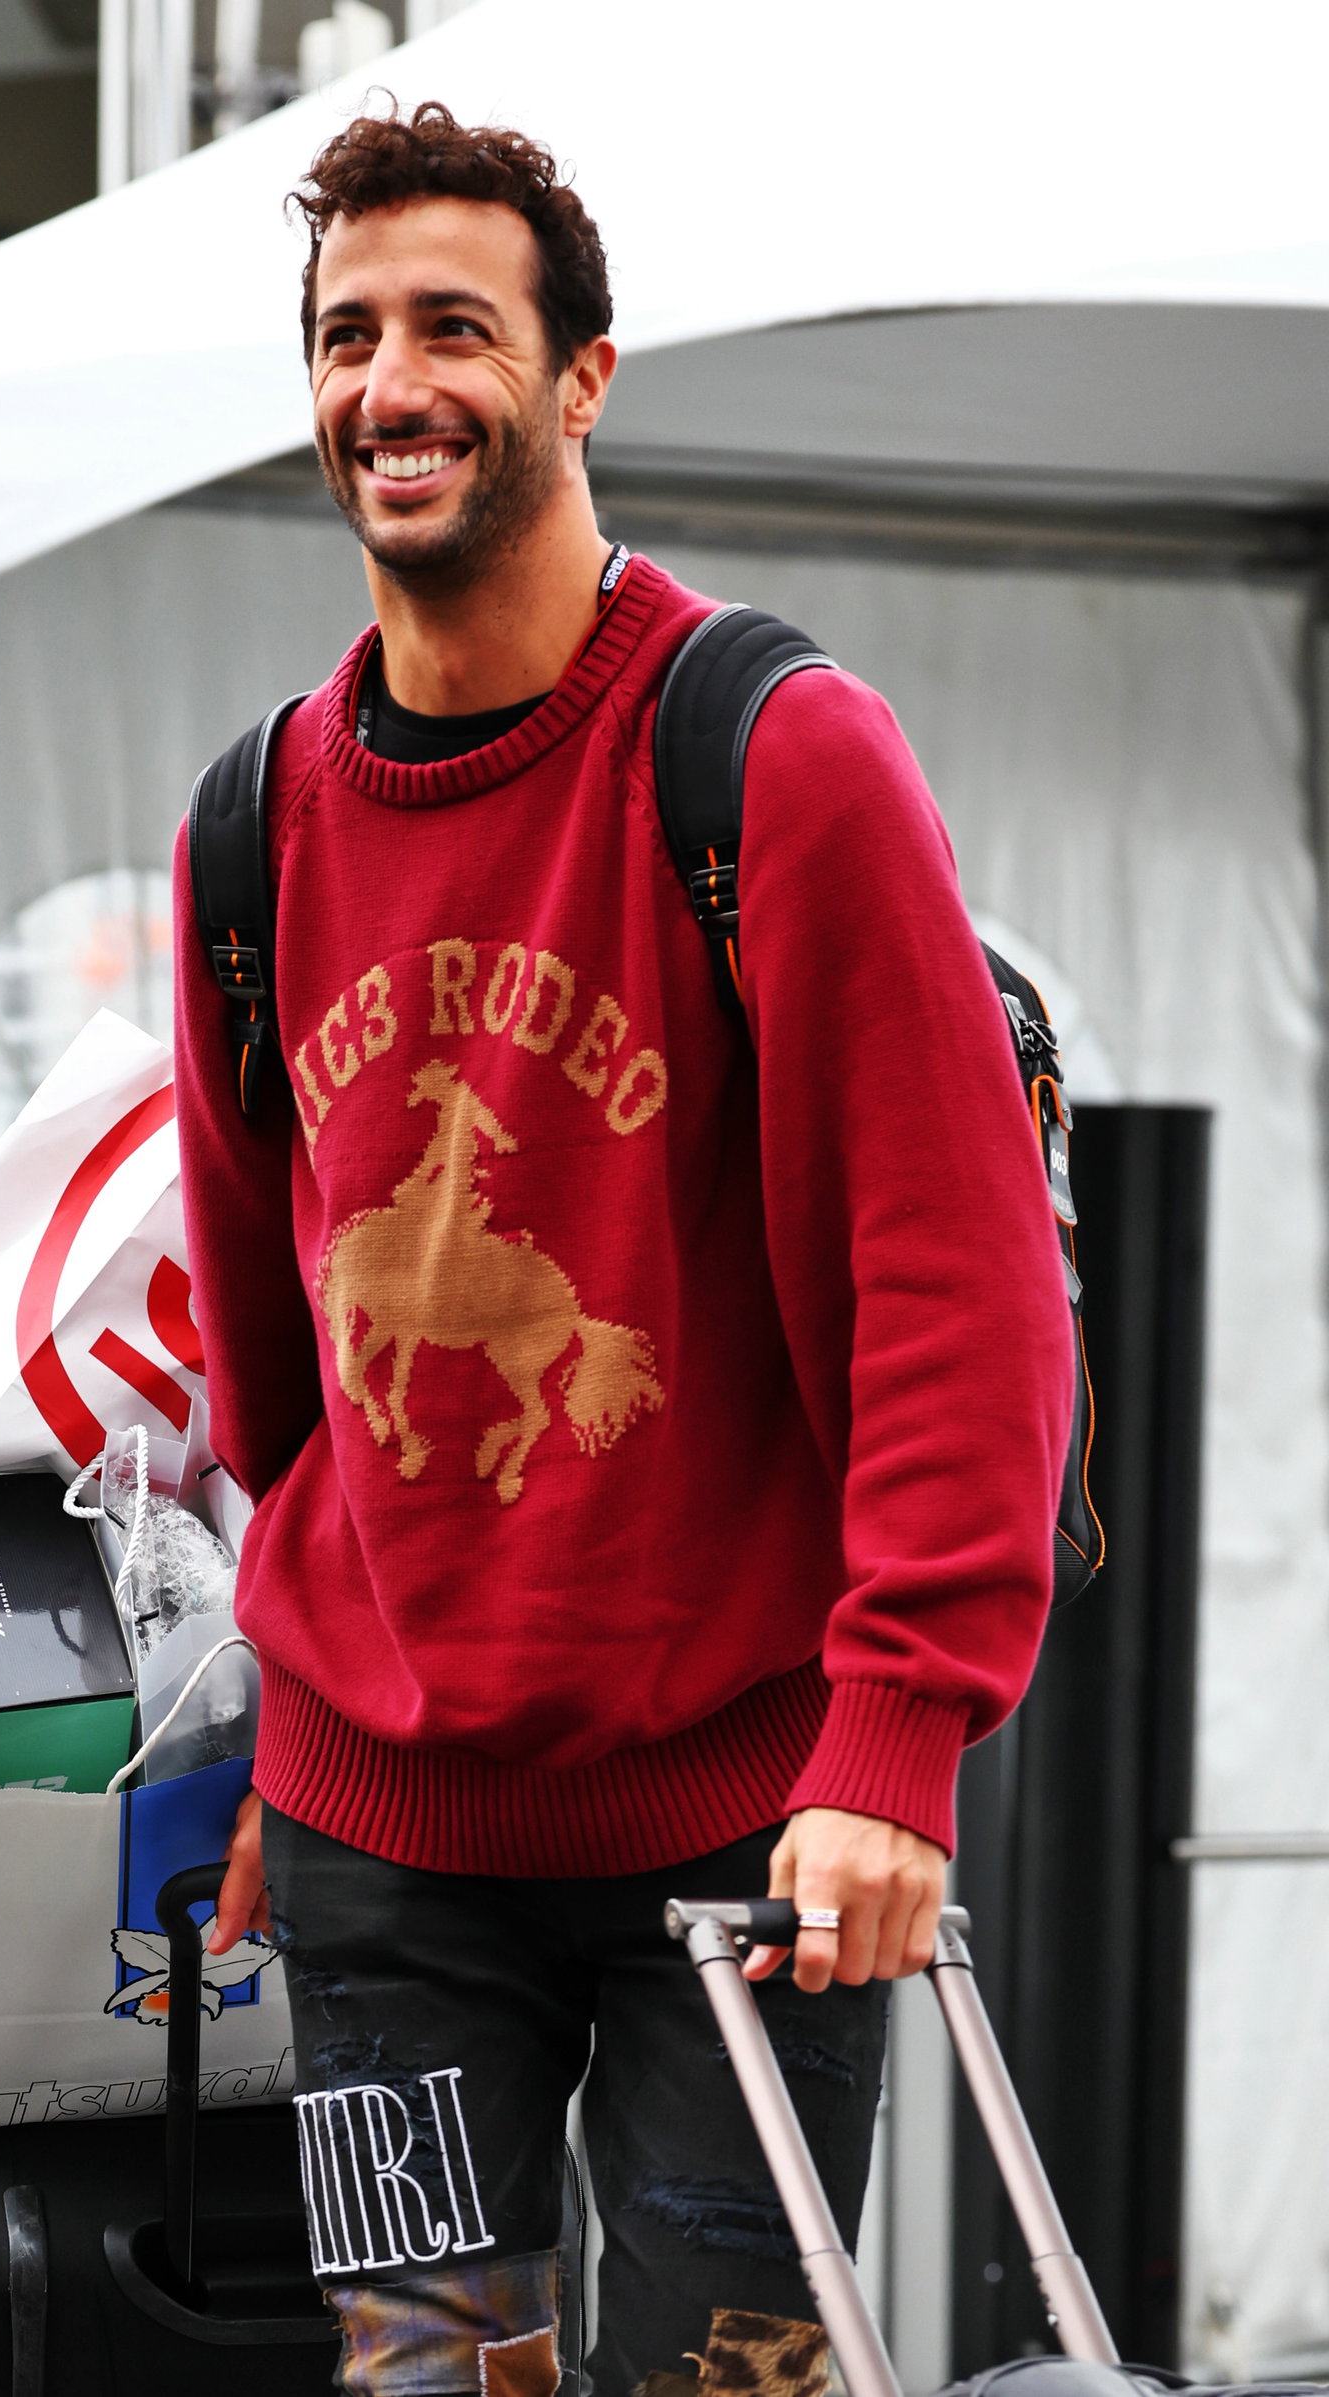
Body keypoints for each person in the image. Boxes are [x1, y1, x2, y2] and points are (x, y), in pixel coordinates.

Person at [175, 99, 1074, 2397]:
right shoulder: (254, 820)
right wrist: (295, 1713)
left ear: (579, 379)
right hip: (384, 1837)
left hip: (752, 1829)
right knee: (427, 2381)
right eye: (346, 334)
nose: (393, 384)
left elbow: (956, 1291)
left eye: (453, 327)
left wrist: (895, 1736)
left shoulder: (769, 754)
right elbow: (272, 1340)